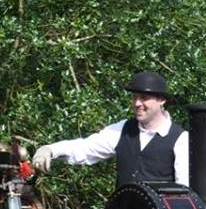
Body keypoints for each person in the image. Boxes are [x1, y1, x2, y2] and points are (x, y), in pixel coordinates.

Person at [31, 72, 189, 186]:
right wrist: (50, 149)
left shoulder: (180, 139)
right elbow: (86, 147)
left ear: (161, 100)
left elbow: (184, 190)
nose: (137, 104)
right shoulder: (123, 129)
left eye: (144, 98)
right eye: (134, 97)